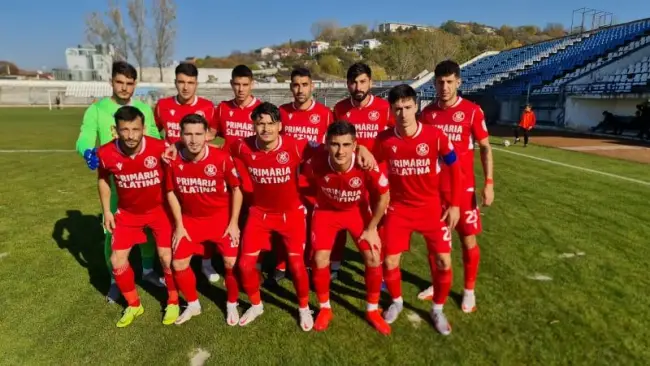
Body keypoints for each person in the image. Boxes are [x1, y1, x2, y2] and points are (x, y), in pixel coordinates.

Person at [230, 102, 376, 330]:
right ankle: (256, 304)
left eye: (271, 123)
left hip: (291, 214)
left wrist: (363, 149)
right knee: (246, 265)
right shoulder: (241, 147)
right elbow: (213, 152)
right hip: (259, 214)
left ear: (280, 126)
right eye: (260, 124)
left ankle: (304, 307)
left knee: (298, 266)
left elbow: (332, 146)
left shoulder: (297, 146)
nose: (266, 129)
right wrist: (175, 149)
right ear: (253, 125)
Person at [374, 84, 461, 335]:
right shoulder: (385, 139)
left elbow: (455, 168)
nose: (403, 113)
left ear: (416, 106)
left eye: (408, 107)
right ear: (391, 111)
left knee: (444, 261)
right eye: (397, 108)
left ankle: (437, 309)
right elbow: (375, 163)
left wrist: (454, 204)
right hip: (399, 210)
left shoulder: (436, 136)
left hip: (431, 209)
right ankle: (397, 301)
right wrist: (383, 191)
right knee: (390, 261)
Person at [76, 61, 163, 304]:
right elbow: (83, 137)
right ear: (111, 82)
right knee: (111, 234)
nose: (124, 88)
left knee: (147, 232)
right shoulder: (96, 110)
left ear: (135, 84)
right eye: (119, 82)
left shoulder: (144, 109)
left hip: (143, 182)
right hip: (114, 185)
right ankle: (116, 281)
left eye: (129, 83)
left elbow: (154, 136)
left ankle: (147, 270)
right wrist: (87, 151)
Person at [417, 60, 494, 314]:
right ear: (434, 83)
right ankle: (436, 284)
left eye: (450, 82)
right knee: (435, 243)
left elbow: (485, 147)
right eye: (440, 82)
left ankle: (469, 291)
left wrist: (489, 183)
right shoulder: (427, 114)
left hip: (463, 190)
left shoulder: (472, 111)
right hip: (434, 192)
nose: (445, 87)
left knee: (467, 239)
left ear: (459, 82)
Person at [305, 121, 391, 334]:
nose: (340, 150)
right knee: (319, 259)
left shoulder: (365, 164)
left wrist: (371, 229)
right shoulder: (315, 161)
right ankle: (325, 308)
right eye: (334, 144)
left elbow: (384, 196)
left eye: (346, 145)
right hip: (326, 212)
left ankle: (372, 310)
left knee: (373, 256)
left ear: (355, 145)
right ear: (326, 144)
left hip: (356, 212)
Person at [96, 106, 179, 327]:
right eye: (125, 130)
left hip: (159, 211)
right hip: (128, 214)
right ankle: (134, 305)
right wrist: (106, 211)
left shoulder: (159, 147)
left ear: (144, 128)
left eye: (135, 129)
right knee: (116, 260)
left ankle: (173, 300)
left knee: (166, 258)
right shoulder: (105, 153)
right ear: (116, 130)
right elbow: (103, 180)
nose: (131, 135)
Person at [165, 114, 243, 326]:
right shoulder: (174, 160)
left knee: (230, 263)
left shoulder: (221, 158)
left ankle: (231, 303)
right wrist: (179, 226)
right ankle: (193, 304)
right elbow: (170, 192)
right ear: (180, 136)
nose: (193, 139)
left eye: (198, 134)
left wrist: (234, 222)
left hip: (220, 220)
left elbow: (237, 190)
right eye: (188, 134)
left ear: (207, 135)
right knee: (178, 263)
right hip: (191, 220)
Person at [265, 67, 334, 286]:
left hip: (314, 183)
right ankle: (281, 263)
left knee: (314, 225)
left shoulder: (324, 114)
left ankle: (311, 264)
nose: (300, 89)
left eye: (304, 84)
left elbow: (332, 146)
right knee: (283, 223)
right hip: (286, 181)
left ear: (312, 86)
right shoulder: (282, 113)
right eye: (296, 85)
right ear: (290, 87)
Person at [154, 62, 222, 284]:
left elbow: (213, 132)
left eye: (190, 83)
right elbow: (154, 133)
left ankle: (206, 262)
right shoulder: (163, 105)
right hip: (171, 170)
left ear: (196, 84)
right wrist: (166, 148)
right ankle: (169, 262)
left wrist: (188, 143)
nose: (185, 87)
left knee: (203, 212)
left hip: (198, 169)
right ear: (175, 82)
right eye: (181, 82)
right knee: (171, 215)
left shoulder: (207, 107)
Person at [329, 62, 394, 280]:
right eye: (354, 82)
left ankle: (380, 271)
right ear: (348, 84)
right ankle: (335, 265)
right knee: (340, 220)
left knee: (379, 224)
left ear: (371, 83)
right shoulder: (339, 109)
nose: (358, 87)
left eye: (363, 81)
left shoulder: (385, 108)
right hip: (347, 177)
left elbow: (396, 137)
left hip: (378, 176)